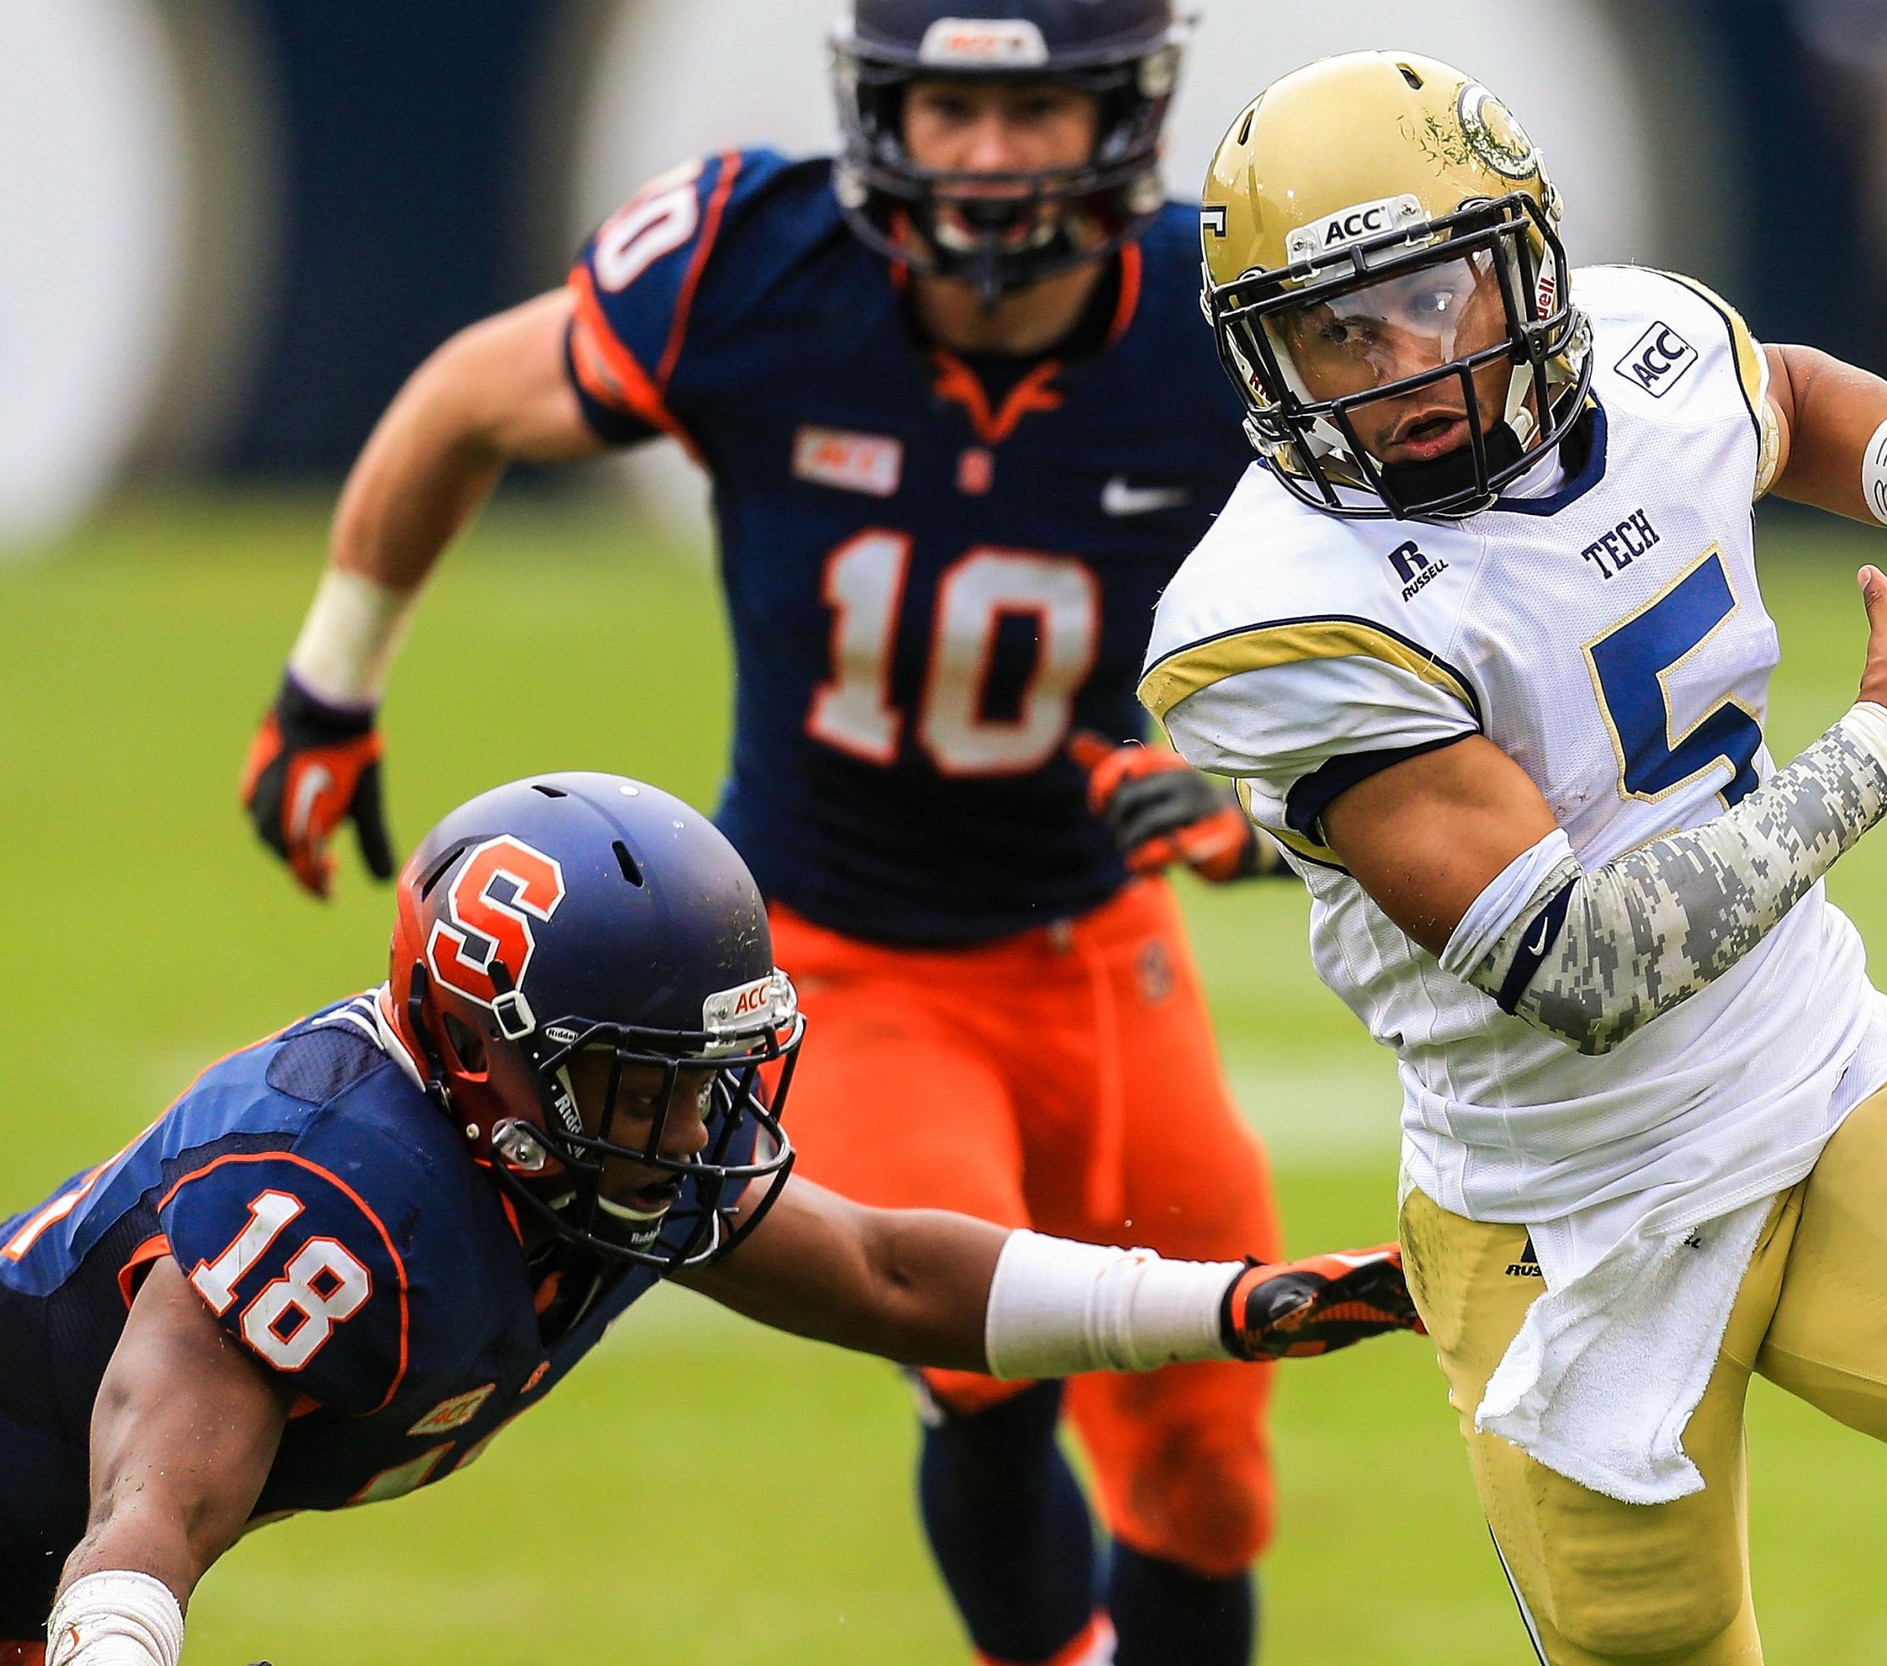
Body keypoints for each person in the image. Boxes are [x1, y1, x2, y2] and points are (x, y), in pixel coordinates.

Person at [1133, 51, 1887, 1666]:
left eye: (1437, 295)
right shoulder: (1272, 613)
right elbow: (1583, 968)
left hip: (1814, 1083)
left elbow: (1785, 397)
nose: (1406, 362)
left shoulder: (1647, 342)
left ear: (1523, 263)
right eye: (1340, 331)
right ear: (1270, 359)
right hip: (1561, 1211)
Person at [234, 4, 1300, 1663]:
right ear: (885, 109)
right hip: (837, 945)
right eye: (952, 108)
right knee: (980, 1353)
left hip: (1096, 945)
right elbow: (464, 400)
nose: (991, 156)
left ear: (1128, 112)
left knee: (1213, 1467)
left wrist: (1265, 808)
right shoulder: (759, 266)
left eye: (1034, 111)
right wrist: (328, 685)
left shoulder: (1219, 322)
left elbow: (1399, 600)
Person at [3, 776, 1414, 1666]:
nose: (690, 1131)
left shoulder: (579, 1147)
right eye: (639, 1084)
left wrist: (1233, 1306)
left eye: (703, 1079)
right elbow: (144, 1520)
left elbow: (889, 1269)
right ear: (486, 1057)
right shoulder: (337, 1193)